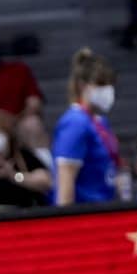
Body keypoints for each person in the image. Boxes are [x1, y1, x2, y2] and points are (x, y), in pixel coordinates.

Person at [52, 48, 120, 206]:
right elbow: (65, 182)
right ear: (83, 85)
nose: (108, 90)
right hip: (86, 215)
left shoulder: (100, 122)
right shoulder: (75, 124)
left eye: (110, 84)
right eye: (101, 84)